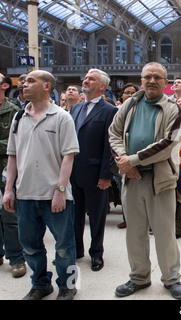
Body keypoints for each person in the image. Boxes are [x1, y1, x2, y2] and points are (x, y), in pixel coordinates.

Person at [109, 62, 181, 299]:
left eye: (157, 77)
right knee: (135, 232)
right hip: (132, 179)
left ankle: (171, 279)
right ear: (141, 80)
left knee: (164, 232)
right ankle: (139, 278)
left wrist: (132, 160)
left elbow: (169, 143)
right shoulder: (129, 104)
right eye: (147, 77)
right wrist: (125, 162)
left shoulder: (174, 109)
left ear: (165, 82)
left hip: (160, 180)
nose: (152, 80)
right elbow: (113, 133)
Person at [3, 70, 80, 300]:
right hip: (25, 195)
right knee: (30, 245)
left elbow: (69, 156)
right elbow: (12, 155)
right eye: (24, 81)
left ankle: (68, 286)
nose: (23, 84)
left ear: (47, 86)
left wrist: (60, 190)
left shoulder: (61, 117)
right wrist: (9, 189)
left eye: (30, 81)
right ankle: (40, 284)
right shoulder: (19, 117)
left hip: (55, 196)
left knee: (65, 246)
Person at [70, 69, 117, 272]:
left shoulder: (109, 110)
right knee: (74, 214)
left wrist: (106, 174)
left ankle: (96, 253)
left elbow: (110, 145)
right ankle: (76, 250)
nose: (85, 80)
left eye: (91, 79)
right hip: (73, 171)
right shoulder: (76, 108)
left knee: (97, 216)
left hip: (96, 172)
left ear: (101, 87)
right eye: (86, 78)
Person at [0, 73, 26, 278]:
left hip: (6, 171)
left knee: (10, 216)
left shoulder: (14, 112)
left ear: (5, 86)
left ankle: (16, 258)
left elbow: (18, 145)